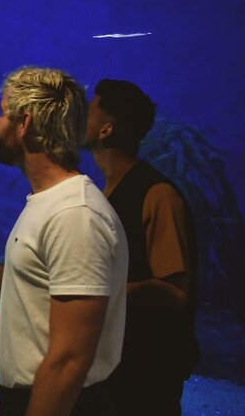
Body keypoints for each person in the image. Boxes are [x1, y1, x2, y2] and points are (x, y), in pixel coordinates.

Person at [0, 66, 128, 416]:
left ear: (25, 124)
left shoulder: (74, 214)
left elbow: (69, 360)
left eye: (3, 114)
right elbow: (23, 293)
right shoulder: (47, 204)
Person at [84, 79, 199, 415]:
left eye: (89, 111)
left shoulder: (157, 195)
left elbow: (176, 293)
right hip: (112, 371)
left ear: (106, 130)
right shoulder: (105, 195)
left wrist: (97, 294)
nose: (79, 119)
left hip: (144, 378)